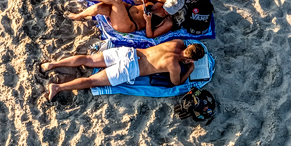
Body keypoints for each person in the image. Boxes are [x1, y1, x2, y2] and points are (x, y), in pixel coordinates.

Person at [40, 40, 205, 101]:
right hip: (129, 69)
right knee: (92, 81)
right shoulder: (174, 65)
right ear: (190, 59)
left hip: (128, 52)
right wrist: (189, 70)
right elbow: (175, 83)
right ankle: (58, 87)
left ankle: (52, 64)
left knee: (88, 59)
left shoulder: (176, 43)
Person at [65, 0, 185, 39]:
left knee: (116, 0)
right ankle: (77, 16)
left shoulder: (167, 22)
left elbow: (150, 35)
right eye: (166, 6)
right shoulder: (160, 1)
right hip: (128, 9)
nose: (165, 10)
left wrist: (148, 21)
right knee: (99, 7)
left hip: (128, 24)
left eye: (168, 11)